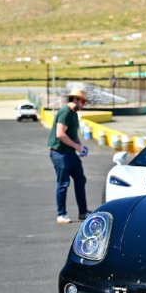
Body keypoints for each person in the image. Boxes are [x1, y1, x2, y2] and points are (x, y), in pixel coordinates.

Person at [47, 88, 91, 224]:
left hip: (70, 153)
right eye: (82, 102)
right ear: (76, 100)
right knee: (63, 183)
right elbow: (60, 134)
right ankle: (61, 214)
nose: (83, 105)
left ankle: (83, 212)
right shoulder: (65, 112)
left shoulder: (73, 114)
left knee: (80, 180)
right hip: (59, 153)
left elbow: (72, 134)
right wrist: (77, 146)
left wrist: (80, 145)